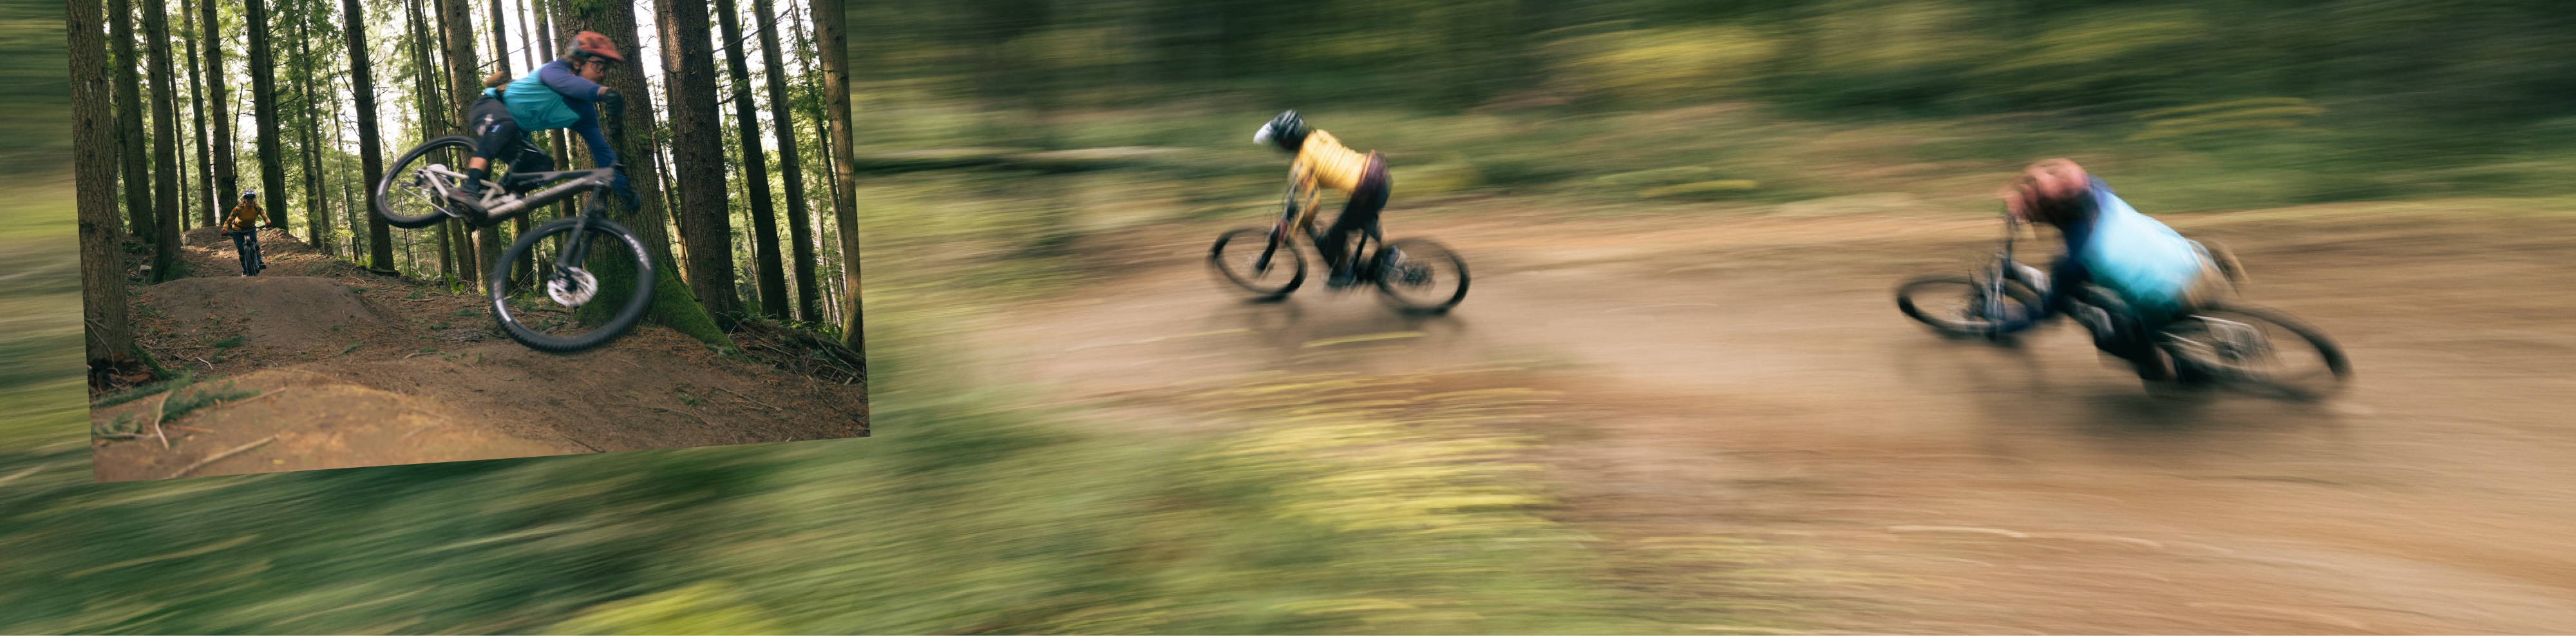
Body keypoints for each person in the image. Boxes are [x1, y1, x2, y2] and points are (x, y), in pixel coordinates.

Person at [1991, 159, 2227, 381]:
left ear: (2051, 214)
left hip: (2182, 297)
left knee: (2108, 338)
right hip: (2200, 262)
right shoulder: (2099, 191)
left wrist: (2005, 324)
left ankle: (2168, 370)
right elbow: (2071, 188)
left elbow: (2046, 314)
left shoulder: (2077, 260)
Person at [445, 30, 634, 217]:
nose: (602, 74)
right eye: (598, 65)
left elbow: (602, 152)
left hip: (512, 136)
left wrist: (622, 186)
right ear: (578, 61)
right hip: (489, 107)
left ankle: (493, 199)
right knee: (506, 125)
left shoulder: (584, 113)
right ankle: (468, 188)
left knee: (542, 165)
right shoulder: (554, 70)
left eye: (606, 69)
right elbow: (564, 84)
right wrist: (604, 93)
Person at [1252, 110, 1391, 288]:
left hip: (1366, 190)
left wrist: (1295, 228)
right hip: (1379, 177)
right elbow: (1334, 161)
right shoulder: (1319, 135)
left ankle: (1346, 273)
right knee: (1360, 218)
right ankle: (1390, 254)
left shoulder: (1301, 166)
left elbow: (1313, 203)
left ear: (1287, 142)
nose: (1279, 145)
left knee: (1334, 235)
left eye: (1280, 142)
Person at [221, 191, 269, 276]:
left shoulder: (257, 207)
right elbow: (229, 220)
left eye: (252, 199)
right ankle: (245, 270)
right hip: (237, 230)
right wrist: (225, 229)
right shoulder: (239, 208)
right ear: (244, 200)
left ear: (254, 199)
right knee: (241, 251)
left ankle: (260, 262)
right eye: (248, 199)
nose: (250, 200)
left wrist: (268, 222)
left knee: (255, 242)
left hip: (251, 228)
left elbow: (265, 216)